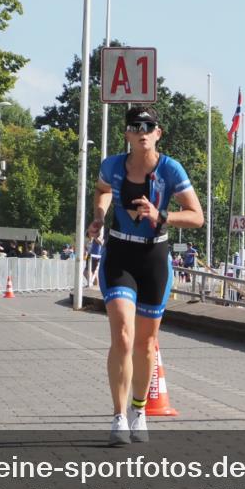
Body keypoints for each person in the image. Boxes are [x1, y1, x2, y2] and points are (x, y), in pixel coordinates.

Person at [87, 106, 203, 446]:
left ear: (158, 133)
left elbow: (197, 217)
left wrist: (162, 214)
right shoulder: (111, 165)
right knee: (123, 335)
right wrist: (98, 216)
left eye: (148, 126)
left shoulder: (170, 169)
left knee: (146, 344)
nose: (142, 131)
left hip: (154, 257)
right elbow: (102, 190)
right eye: (135, 126)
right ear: (126, 134)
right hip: (120, 253)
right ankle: (118, 416)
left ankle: (139, 409)